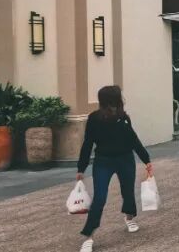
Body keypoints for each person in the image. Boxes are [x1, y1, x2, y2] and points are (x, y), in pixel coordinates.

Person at [76, 85, 153, 252]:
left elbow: (133, 140)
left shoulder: (123, 117)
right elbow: (88, 143)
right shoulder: (94, 118)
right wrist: (81, 168)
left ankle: (129, 218)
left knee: (128, 191)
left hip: (125, 159)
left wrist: (146, 160)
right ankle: (88, 236)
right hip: (103, 161)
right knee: (100, 198)